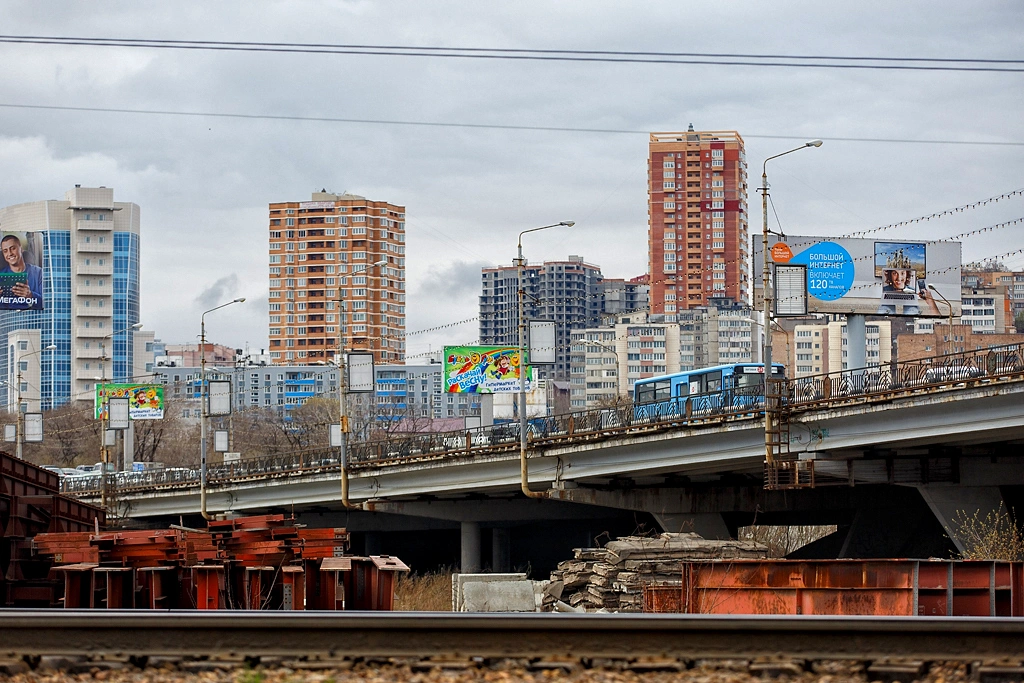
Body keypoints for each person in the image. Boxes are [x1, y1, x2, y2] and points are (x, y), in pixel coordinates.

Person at [0, 234, 43, 309]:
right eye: (5, 251)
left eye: (13, 248)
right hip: (10, 318)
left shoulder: (39, 273)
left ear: (21, 249)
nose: (9, 253)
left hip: (34, 318)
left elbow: (48, 303)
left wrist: (30, 295)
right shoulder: (1, 276)